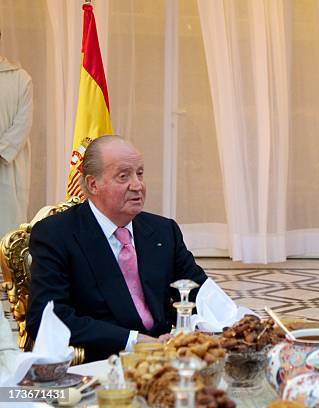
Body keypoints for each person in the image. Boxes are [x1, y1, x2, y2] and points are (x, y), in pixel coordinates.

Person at [26, 135, 208, 362]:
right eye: (124, 176)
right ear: (93, 184)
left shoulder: (163, 230)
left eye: (140, 173)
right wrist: (135, 341)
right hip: (103, 361)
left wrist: (195, 329)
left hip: (168, 355)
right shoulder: (56, 234)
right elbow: (46, 318)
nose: (138, 185)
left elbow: (201, 293)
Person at [0, 30, 33, 238]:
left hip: (7, 171)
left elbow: (23, 123)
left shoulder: (21, 79)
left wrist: (1, 151)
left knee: (7, 232)